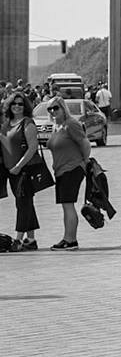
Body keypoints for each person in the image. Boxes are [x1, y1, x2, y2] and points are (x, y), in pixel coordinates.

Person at [42, 97, 91, 251]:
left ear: (63, 108)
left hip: (72, 169)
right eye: (49, 109)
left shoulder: (71, 124)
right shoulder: (57, 126)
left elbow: (85, 143)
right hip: (61, 171)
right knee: (66, 206)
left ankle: (71, 240)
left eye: (55, 108)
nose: (53, 111)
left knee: (69, 205)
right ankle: (67, 238)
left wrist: (84, 161)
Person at [2, 93, 42, 250]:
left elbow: (32, 148)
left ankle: (18, 239)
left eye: (20, 104)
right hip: (10, 171)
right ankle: (31, 240)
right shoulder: (7, 123)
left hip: (24, 170)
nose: (17, 106)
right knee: (26, 204)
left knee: (23, 204)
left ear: (25, 106)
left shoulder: (27, 123)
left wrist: (18, 166)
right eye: (14, 104)